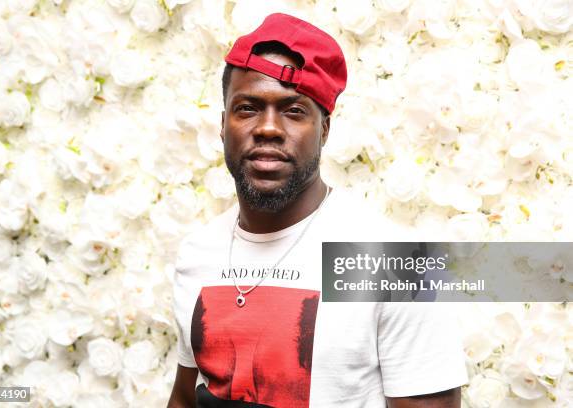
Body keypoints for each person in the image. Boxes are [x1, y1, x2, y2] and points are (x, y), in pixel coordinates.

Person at [168, 13, 468, 408]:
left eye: (293, 111)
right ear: (224, 125)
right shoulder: (197, 253)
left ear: (324, 130)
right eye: (248, 108)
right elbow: (186, 400)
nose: (269, 128)